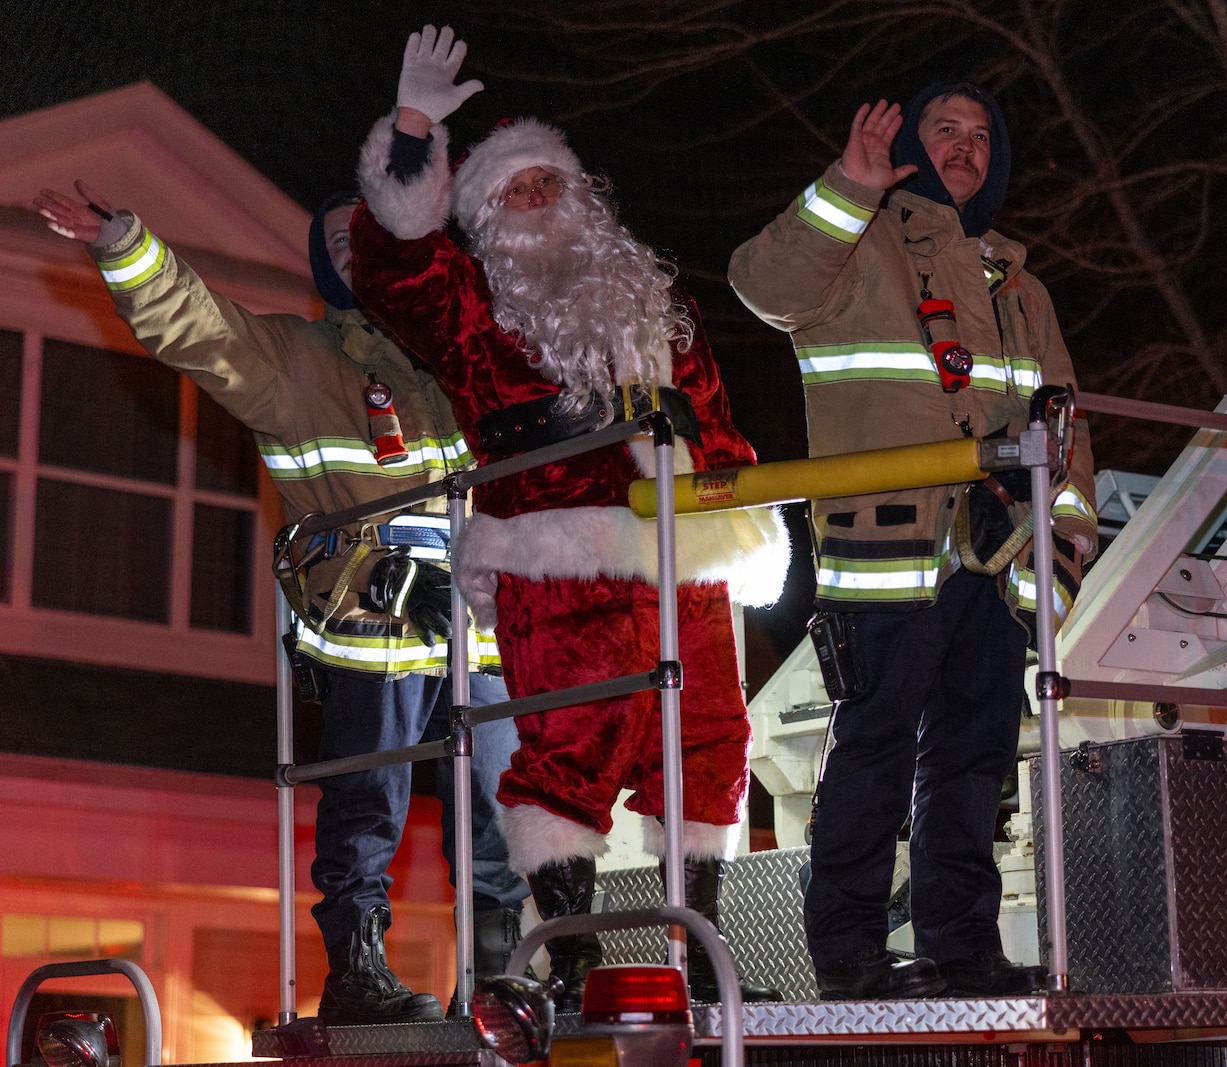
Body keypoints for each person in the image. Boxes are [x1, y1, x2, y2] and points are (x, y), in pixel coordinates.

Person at [347, 26, 790, 1009]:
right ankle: (575, 956)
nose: (536, 200)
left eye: (548, 182)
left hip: (684, 552)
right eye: (512, 191)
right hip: (557, 555)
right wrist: (415, 126)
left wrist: (743, 505)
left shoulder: (655, 295)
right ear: (485, 218)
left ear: (583, 195)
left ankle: (696, 957)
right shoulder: (466, 303)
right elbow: (388, 265)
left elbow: (710, 414)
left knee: (712, 748)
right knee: (569, 751)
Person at [32, 182, 531, 1026]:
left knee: (506, 813)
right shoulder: (300, 361)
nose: (348, 245)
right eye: (331, 239)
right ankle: (357, 976)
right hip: (373, 638)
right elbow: (201, 328)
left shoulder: (458, 361)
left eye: (362, 234)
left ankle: (494, 981)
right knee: (366, 809)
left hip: (477, 643)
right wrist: (125, 246)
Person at [727, 83, 1099, 1000]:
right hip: (885, 549)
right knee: (874, 746)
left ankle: (963, 946)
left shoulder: (1024, 286)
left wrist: (1061, 557)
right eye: (947, 130)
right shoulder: (859, 244)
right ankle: (849, 951)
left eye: (982, 135)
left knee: (975, 761)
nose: (967, 146)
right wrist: (845, 189)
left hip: (997, 558)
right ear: (911, 147)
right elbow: (760, 285)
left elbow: (1069, 435)